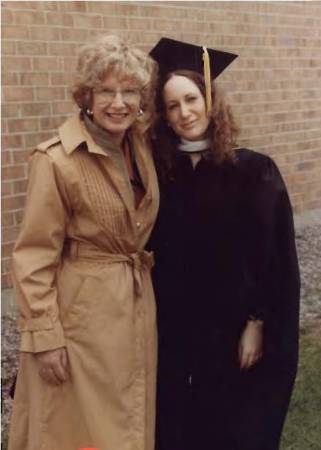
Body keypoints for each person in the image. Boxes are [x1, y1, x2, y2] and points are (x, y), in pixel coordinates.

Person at [8, 34, 159, 450]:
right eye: (106, 90)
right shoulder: (56, 159)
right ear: (86, 96)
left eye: (129, 91)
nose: (119, 102)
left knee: (130, 416)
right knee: (77, 429)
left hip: (135, 303)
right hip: (81, 317)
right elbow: (34, 255)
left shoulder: (141, 147)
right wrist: (45, 337)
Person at [148, 38, 300, 450]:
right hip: (180, 331)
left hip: (236, 327)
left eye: (191, 99)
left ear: (210, 99)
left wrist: (256, 322)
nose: (185, 113)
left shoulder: (252, 171)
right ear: (163, 115)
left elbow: (276, 257)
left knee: (239, 429)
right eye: (173, 105)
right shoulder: (162, 176)